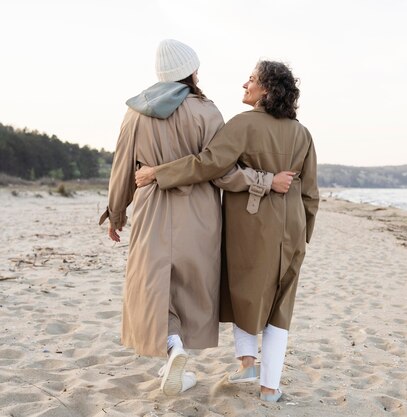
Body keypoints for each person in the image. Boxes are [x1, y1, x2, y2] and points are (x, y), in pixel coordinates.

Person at [100, 39, 291, 396]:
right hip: (201, 211)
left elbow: (122, 166)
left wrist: (116, 212)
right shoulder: (208, 112)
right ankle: (177, 353)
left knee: (154, 287)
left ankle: (173, 349)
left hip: (152, 207)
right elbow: (223, 171)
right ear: (190, 72)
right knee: (190, 288)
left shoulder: (135, 112)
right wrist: (265, 182)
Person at [135, 60, 319, 402]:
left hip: (252, 224)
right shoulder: (302, 133)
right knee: (280, 306)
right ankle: (268, 387)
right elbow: (311, 194)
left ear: (266, 88)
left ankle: (251, 366)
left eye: (251, 80)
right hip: (292, 226)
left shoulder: (242, 125)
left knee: (245, 293)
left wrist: (157, 173)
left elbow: (208, 165)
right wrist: (303, 234)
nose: (244, 84)